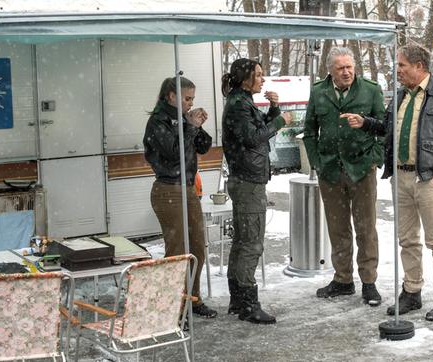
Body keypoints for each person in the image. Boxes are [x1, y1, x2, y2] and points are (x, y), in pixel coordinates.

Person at [341, 44, 433, 321]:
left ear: (419, 66)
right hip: (400, 177)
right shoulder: (400, 96)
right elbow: (389, 128)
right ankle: (412, 291)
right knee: (407, 240)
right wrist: (364, 123)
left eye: (402, 66)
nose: (397, 70)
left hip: (427, 179)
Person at [303, 47, 386, 306]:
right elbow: (308, 132)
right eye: (340, 68)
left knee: (366, 229)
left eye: (349, 66)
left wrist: (374, 159)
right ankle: (343, 280)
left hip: (362, 169)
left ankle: (369, 282)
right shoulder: (318, 91)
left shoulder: (370, 90)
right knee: (338, 229)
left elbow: (385, 129)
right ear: (330, 70)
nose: (347, 71)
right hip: (330, 171)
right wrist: (317, 163)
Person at [221, 58, 293, 324]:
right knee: (251, 243)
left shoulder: (242, 102)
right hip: (248, 182)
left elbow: (260, 130)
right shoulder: (239, 105)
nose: (263, 80)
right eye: (259, 75)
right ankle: (248, 304)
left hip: (246, 179)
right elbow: (254, 137)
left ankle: (238, 300)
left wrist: (274, 109)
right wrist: (281, 121)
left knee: (242, 241)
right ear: (244, 78)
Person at [143, 76, 218, 319]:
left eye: (193, 99)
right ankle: (173, 308)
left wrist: (196, 124)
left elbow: (204, 146)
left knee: (197, 247)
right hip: (168, 189)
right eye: (187, 99)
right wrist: (190, 126)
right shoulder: (158, 122)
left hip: (187, 188)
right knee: (177, 251)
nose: (190, 103)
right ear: (171, 96)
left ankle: (192, 299)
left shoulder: (183, 120)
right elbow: (174, 153)